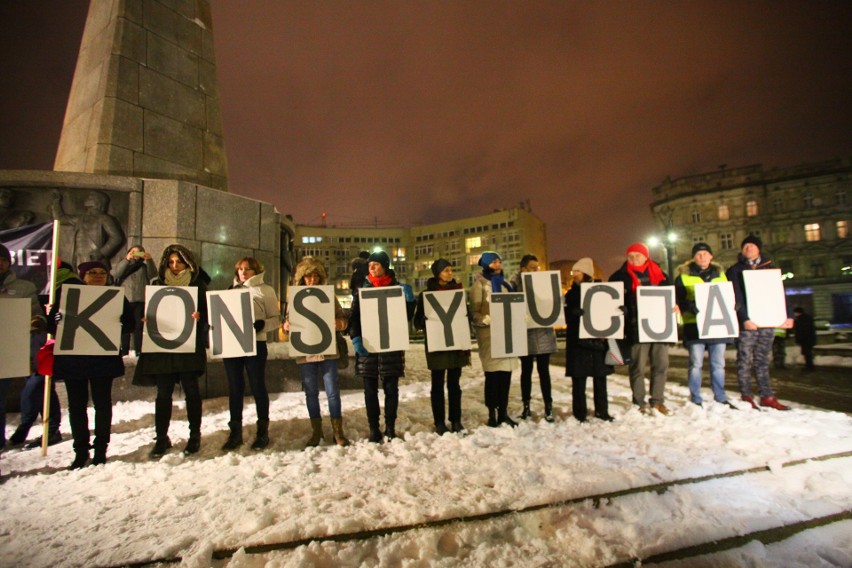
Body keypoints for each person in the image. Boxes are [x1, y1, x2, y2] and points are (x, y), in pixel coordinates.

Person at [49, 261, 133, 469]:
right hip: (74, 360)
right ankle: (81, 450)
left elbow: (130, 324)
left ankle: (101, 448)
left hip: (101, 359)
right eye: (92, 273)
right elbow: (50, 325)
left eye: (102, 273)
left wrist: (120, 320)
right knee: (77, 406)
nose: (97, 276)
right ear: (83, 276)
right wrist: (56, 318)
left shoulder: (115, 297)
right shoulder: (66, 296)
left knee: (102, 404)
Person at [136, 244, 208, 456]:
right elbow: (148, 308)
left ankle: (194, 435)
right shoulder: (157, 283)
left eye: (179, 262)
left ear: (188, 263)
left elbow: (208, 313)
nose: (175, 266)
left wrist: (201, 317)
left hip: (188, 344)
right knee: (163, 393)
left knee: (191, 390)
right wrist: (145, 319)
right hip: (163, 347)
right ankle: (161, 437)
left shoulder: (198, 285)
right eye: (171, 262)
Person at [284, 256, 350, 447]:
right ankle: (317, 431)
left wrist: (340, 324)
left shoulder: (329, 297)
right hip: (305, 351)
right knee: (311, 392)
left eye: (315, 276)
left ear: (321, 278)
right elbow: (288, 323)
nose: (312, 280)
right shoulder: (295, 298)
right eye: (308, 277)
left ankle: (338, 432)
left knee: (332, 391)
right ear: (302, 278)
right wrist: (287, 326)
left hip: (328, 350)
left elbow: (343, 320)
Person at [609, 243, 678, 415]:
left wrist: (675, 306)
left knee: (660, 365)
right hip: (636, 328)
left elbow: (671, 297)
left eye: (637, 255)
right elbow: (612, 302)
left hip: (660, 327)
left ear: (646, 256)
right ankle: (639, 401)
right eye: (630, 256)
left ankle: (657, 400)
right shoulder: (619, 277)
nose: (634, 259)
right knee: (637, 367)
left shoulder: (662, 275)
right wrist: (621, 308)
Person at [726, 234, 793, 410]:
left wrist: (789, 315)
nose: (748, 248)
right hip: (747, 324)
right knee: (745, 359)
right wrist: (744, 319)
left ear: (759, 249)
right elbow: (735, 297)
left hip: (766, 321)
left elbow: (780, 293)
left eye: (752, 246)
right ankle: (746, 395)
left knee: (762, 360)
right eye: (745, 246)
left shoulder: (769, 268)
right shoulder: (734, 270)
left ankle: (766, 395)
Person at [221, 257, 281, 451]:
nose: (243, 272)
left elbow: (276, 319)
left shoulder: (265, 290)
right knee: (235, 387)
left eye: (247, 269)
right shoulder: (230, 290)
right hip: (233, 345)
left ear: (256, 271)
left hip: (256, 344)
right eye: (240, 269)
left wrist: (262, 325)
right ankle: (235, 432)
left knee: (257, 386)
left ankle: (262, 431)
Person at [348, 251, 406, 443]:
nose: (371, 267)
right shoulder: (361, 288)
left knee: (391, 389)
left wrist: (410, 303)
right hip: (368, 345)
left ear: (385, 266)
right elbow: (354, 316)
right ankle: (374, 428)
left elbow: (405, 319)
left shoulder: (397, 288)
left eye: (376, 264)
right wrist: (355, 337)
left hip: (391, 346)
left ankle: (390, 427)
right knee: (370, 390)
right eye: (370, 264)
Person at [0, 243, 52, 449]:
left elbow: (35, 312)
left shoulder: (24, 287)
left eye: (2, 260)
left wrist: (37, 321)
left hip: (8, 350)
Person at [413, 259, 471, 434]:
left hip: (456, 345)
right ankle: (439, 422)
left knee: (455, 385)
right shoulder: (426, 295)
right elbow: (417, 321)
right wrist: (424, 322)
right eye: (446, 270)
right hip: (437, 344)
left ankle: (456, 420)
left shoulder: (458, 293)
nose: (450, 273)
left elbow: (464, 316)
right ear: (437, 273)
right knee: (437, 385)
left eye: (451, 270)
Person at [674, 242, 735, 408]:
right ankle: (696, 396)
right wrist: (689, 306)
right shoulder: (682, 277)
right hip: (694, 327)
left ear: (711, 256)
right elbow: (677, 300)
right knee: (696, 364)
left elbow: (729, 296)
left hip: (718, 326)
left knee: (718, 364)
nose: (702, 257)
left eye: (705, 254)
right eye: (698, 254)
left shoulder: (721, 275)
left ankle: (720, 395)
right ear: (693, 257)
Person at [470, 251, 518, 427]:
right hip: (489, 336)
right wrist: (483, 319)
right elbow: (473, 312)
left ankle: (503, 412)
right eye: (493, 262)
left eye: (499, 261)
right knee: (492, 376)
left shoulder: (506, 285)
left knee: (505, 375)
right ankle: (492, 412)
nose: (498, 265)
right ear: (486, 265)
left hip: (507, 335)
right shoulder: (479, 286)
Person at [564, 257, 613, 422]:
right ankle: (579, 413)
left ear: (585, 272)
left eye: (576, 271)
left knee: (600, 379)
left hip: (597, 341)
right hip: (578, 343)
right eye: (573, 271)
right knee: (579, 381)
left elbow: (608, 311)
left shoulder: (601, 291)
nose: (574, 274)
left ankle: (602, 410)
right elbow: (565, 316)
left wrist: (620, 310)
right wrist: (571, 313)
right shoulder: (571, 294)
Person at [510, 254, 557, 422]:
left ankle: (548, 407)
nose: (536, 270)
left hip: (543, 333)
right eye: (532, 267)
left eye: (537, 267)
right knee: (526, 371)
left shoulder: (544, 284)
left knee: (544, 372)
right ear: (523, 269)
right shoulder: (514, 286)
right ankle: (526, 406)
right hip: (525, 334)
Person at [50, 189, 125, 270]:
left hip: (95, 259)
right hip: (78, 258)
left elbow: (117, 238)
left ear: (98, 202)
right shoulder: (81, 218)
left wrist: (101, 253)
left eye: (91, 197)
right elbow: (60, 218)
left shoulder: (104, 218)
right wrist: (56, 202)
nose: (87, 199)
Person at [111, 245, 157, 356]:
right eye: (133, 252)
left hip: (140, 299)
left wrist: (149, 260)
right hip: (126, 298)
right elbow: (115, 273)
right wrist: (127, 260)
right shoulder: (124, 264)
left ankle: (138, 350)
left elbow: (153, 275)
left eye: (139, 252)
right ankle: (124, 351)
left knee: (138, 326)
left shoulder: (144, 267)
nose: (136, 254)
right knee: (125, 325)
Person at [793, 307, 817, 371]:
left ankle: (809, 366)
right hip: (810, 338)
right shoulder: (808, 318)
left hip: (804, 340)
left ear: (798, 312)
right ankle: (810, 365)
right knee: (808, 353)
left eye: (795, 312)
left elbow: (799, 331)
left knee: (807, 353)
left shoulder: (799, 319)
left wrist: (798, 340)